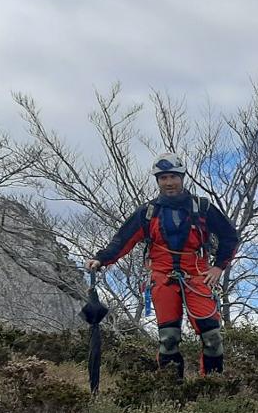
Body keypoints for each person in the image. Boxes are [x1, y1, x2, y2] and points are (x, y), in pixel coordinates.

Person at [85, 153, 239, 378]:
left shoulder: (203, 208)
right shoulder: (148, 213)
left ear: (182, 177)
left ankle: (213, 389)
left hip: (198, 276)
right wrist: (101, 259)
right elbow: (122, 241)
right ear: (158, 181)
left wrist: (218, 267)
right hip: (162, 278)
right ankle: (171, 392)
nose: (169, 182)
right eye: (163, 178)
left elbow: (230, 237)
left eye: (173, 177)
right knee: (168, 338)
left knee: (213, 336)